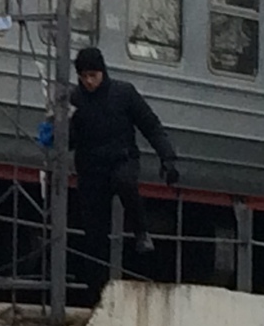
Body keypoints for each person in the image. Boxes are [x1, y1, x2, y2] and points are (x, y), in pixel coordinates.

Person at [41, 46, 180, 297]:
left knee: (126, 182)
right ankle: (97, 293)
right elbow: (71, 141)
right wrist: (55, 132)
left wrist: (167, 158)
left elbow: (151, 126)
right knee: (95, 235)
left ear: (103, 72)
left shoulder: (124, 94)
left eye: (93, 75)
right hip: (91, 170)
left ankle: (141, 232)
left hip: (122, 159)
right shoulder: (75, 101)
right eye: (84, 77)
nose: (89, 81)